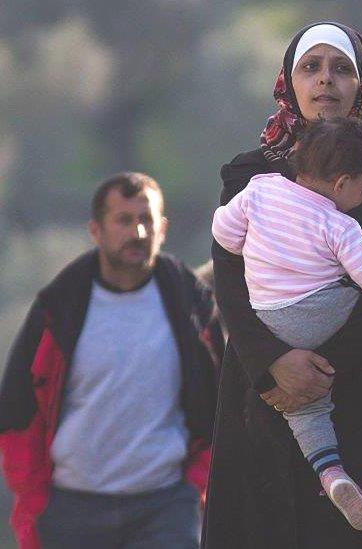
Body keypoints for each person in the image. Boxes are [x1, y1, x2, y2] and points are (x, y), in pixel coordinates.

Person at [203, 21, 362, 548]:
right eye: (311, 67)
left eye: (341, 68)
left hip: (358, 394)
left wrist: (319, 371)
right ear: (289, 81)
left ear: (361, 86)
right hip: (264, 391)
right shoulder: (250, 174)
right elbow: (231, 282)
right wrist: (273, 365)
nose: (326, 81)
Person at [0, 173, 221, 549]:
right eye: (123, 220)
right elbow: (18, 411)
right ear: (96, 230)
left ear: (162, 228)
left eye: (146, 219)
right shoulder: (59, 309)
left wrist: (197, 481)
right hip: (72, 508)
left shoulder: (194, 307)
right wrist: (34, 501)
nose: (136, 231)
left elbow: (220, 403)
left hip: (165, 505)